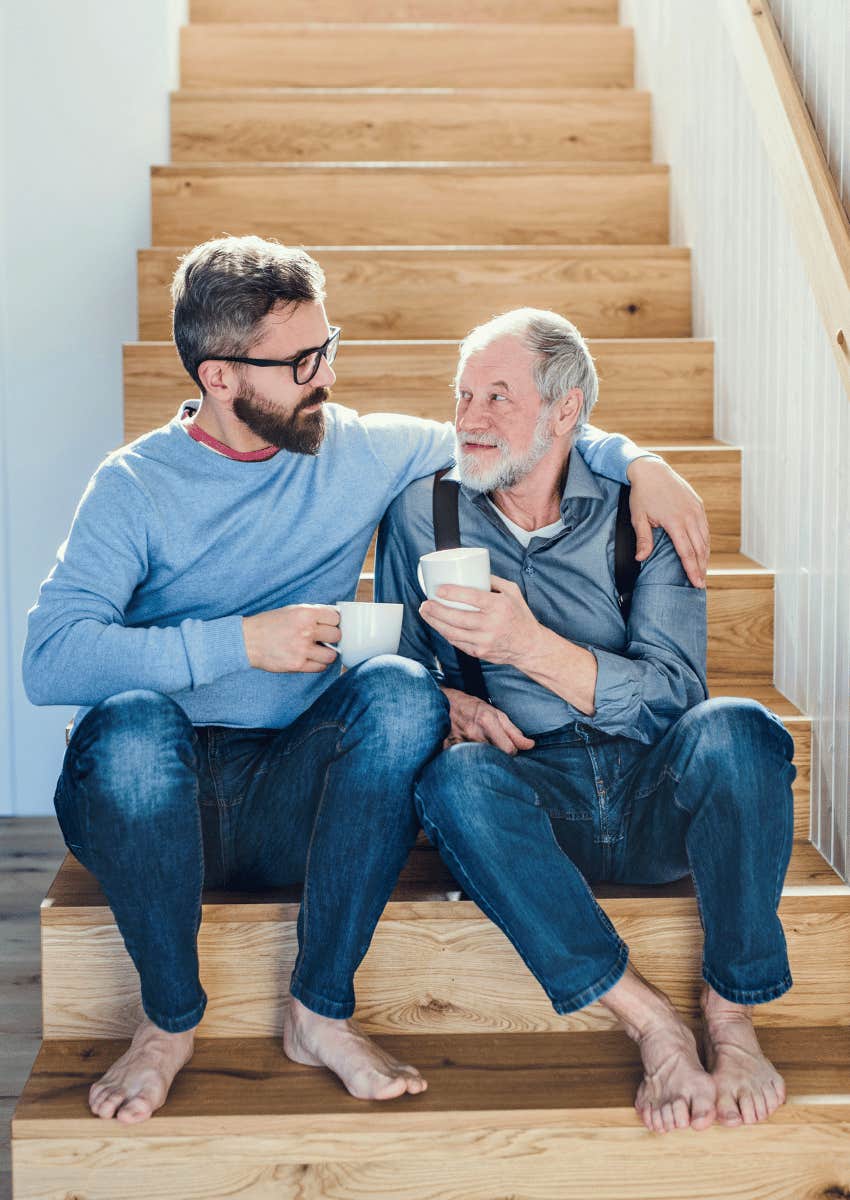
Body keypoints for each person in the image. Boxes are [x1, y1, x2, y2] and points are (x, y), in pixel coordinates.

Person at [23, 237, 710, 1126]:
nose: (326, 378)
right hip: (149, 805)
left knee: (398, 689)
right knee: (134, 727)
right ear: (221, 378)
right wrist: (236, 643)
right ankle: (166, 1022)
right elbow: (50, 658)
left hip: (289, 800)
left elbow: (518, 429)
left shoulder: (359, 450)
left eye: (328, 347)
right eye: (301, 363)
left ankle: (320, 1009)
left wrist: (638, 461)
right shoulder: (134, 487)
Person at [375, 307, 796, 1136]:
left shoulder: (644, 512)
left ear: (566, 411)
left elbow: (678, 698)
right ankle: (652, 1023)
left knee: (740, 729)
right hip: (531, 798)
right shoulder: (423, 515)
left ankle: (732, 1014)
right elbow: (396, 663)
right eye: (463, 395)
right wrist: (445, 699)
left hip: (649, 792)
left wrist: (530, 646)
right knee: (454, 780)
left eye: (499, 395)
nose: (469, 418)